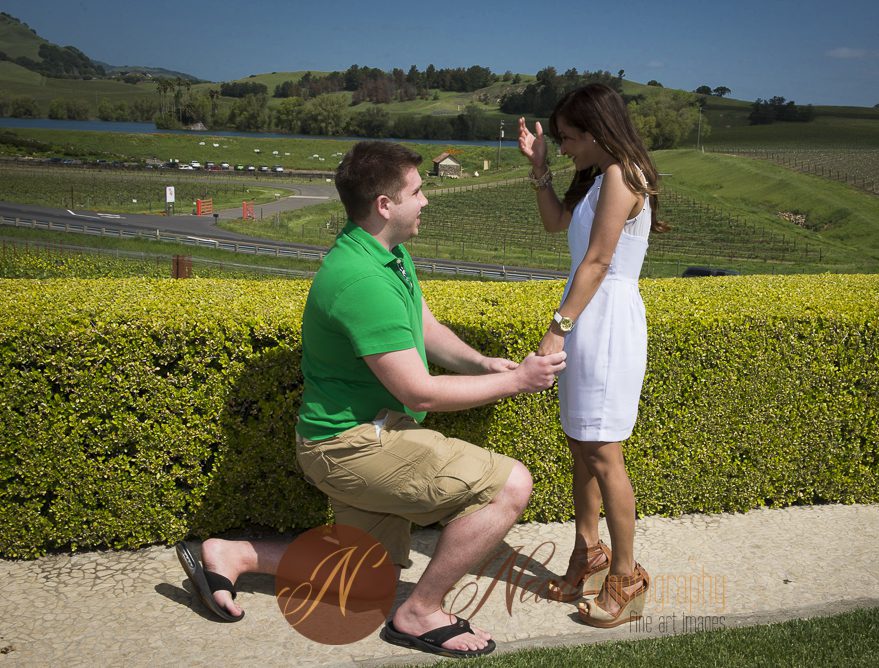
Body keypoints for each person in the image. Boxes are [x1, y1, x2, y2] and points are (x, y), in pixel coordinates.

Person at [175, 141, 566, 658]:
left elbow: (423, 326)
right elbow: (417, 390)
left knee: (363, 582)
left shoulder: (384, 252)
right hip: (351, 446)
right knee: (511, 485)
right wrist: (518, 381)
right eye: (417, 191)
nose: (426, 201)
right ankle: (420, 612)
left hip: (363, 436)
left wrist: (484, 364)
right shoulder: (360, 279)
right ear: (385, 204)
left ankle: (233, 554)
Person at [517, 83, 665, 628]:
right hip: (586, 317)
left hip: (603, 322)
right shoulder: (600, 176)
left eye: (569, 138)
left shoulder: (624, 175)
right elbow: (556, 223)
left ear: (598, 130)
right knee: (581, 445)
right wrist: (539, 169)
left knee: (604, 451)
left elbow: (600, 261)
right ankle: (588, 555)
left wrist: (557, 329)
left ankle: (626, 577)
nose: (564, 148)